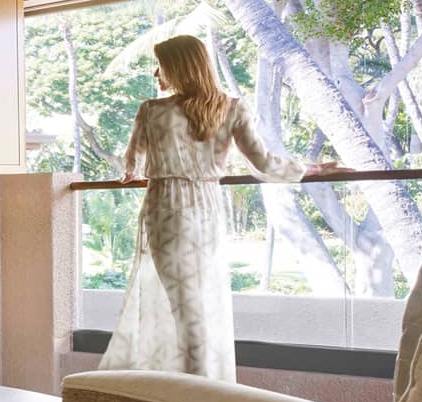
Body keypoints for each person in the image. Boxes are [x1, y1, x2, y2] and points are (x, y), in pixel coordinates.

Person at [98, 34, 341, 381]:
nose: (156, 73)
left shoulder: (152, 111)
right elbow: (264, 163)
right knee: (202, 302)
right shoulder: (231, 108)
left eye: (162, 65)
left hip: (167, 206)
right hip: (208, 208)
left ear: (179, 67)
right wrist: (313, 169)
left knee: (184, 305)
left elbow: (131, 165)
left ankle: (193, 386)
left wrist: (133, 172)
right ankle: (204, 382)